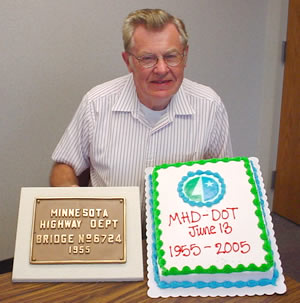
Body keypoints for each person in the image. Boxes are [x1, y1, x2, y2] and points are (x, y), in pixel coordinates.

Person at [50, 8, 232, 192]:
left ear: (185, 57)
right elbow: (64, 165)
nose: (161, 69)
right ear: (128, 61)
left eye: (170, 56)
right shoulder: (96, 103)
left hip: (180, 221)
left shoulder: (210, 106)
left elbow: (225, 179)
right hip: (114, 220)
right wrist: (69, 193)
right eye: (148, 58)